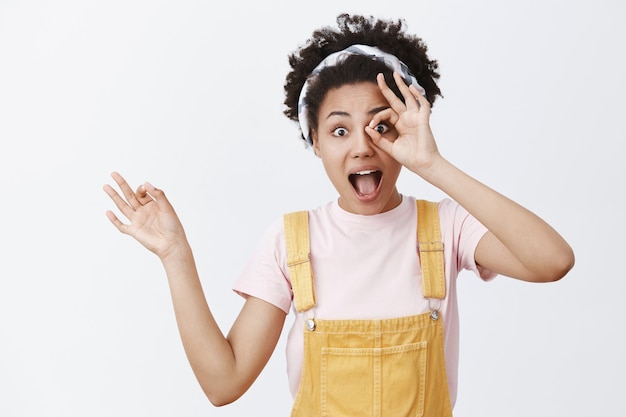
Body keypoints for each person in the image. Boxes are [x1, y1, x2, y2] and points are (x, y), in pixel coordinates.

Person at [103, 13, 575, 416]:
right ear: (314, 141)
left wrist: (433, 165)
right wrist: (174, 254)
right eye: (339, 130)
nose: (361, 147)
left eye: (382, 126)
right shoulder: (292, 241)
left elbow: (552, 261)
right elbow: (223, 384)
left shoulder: (448, 226)